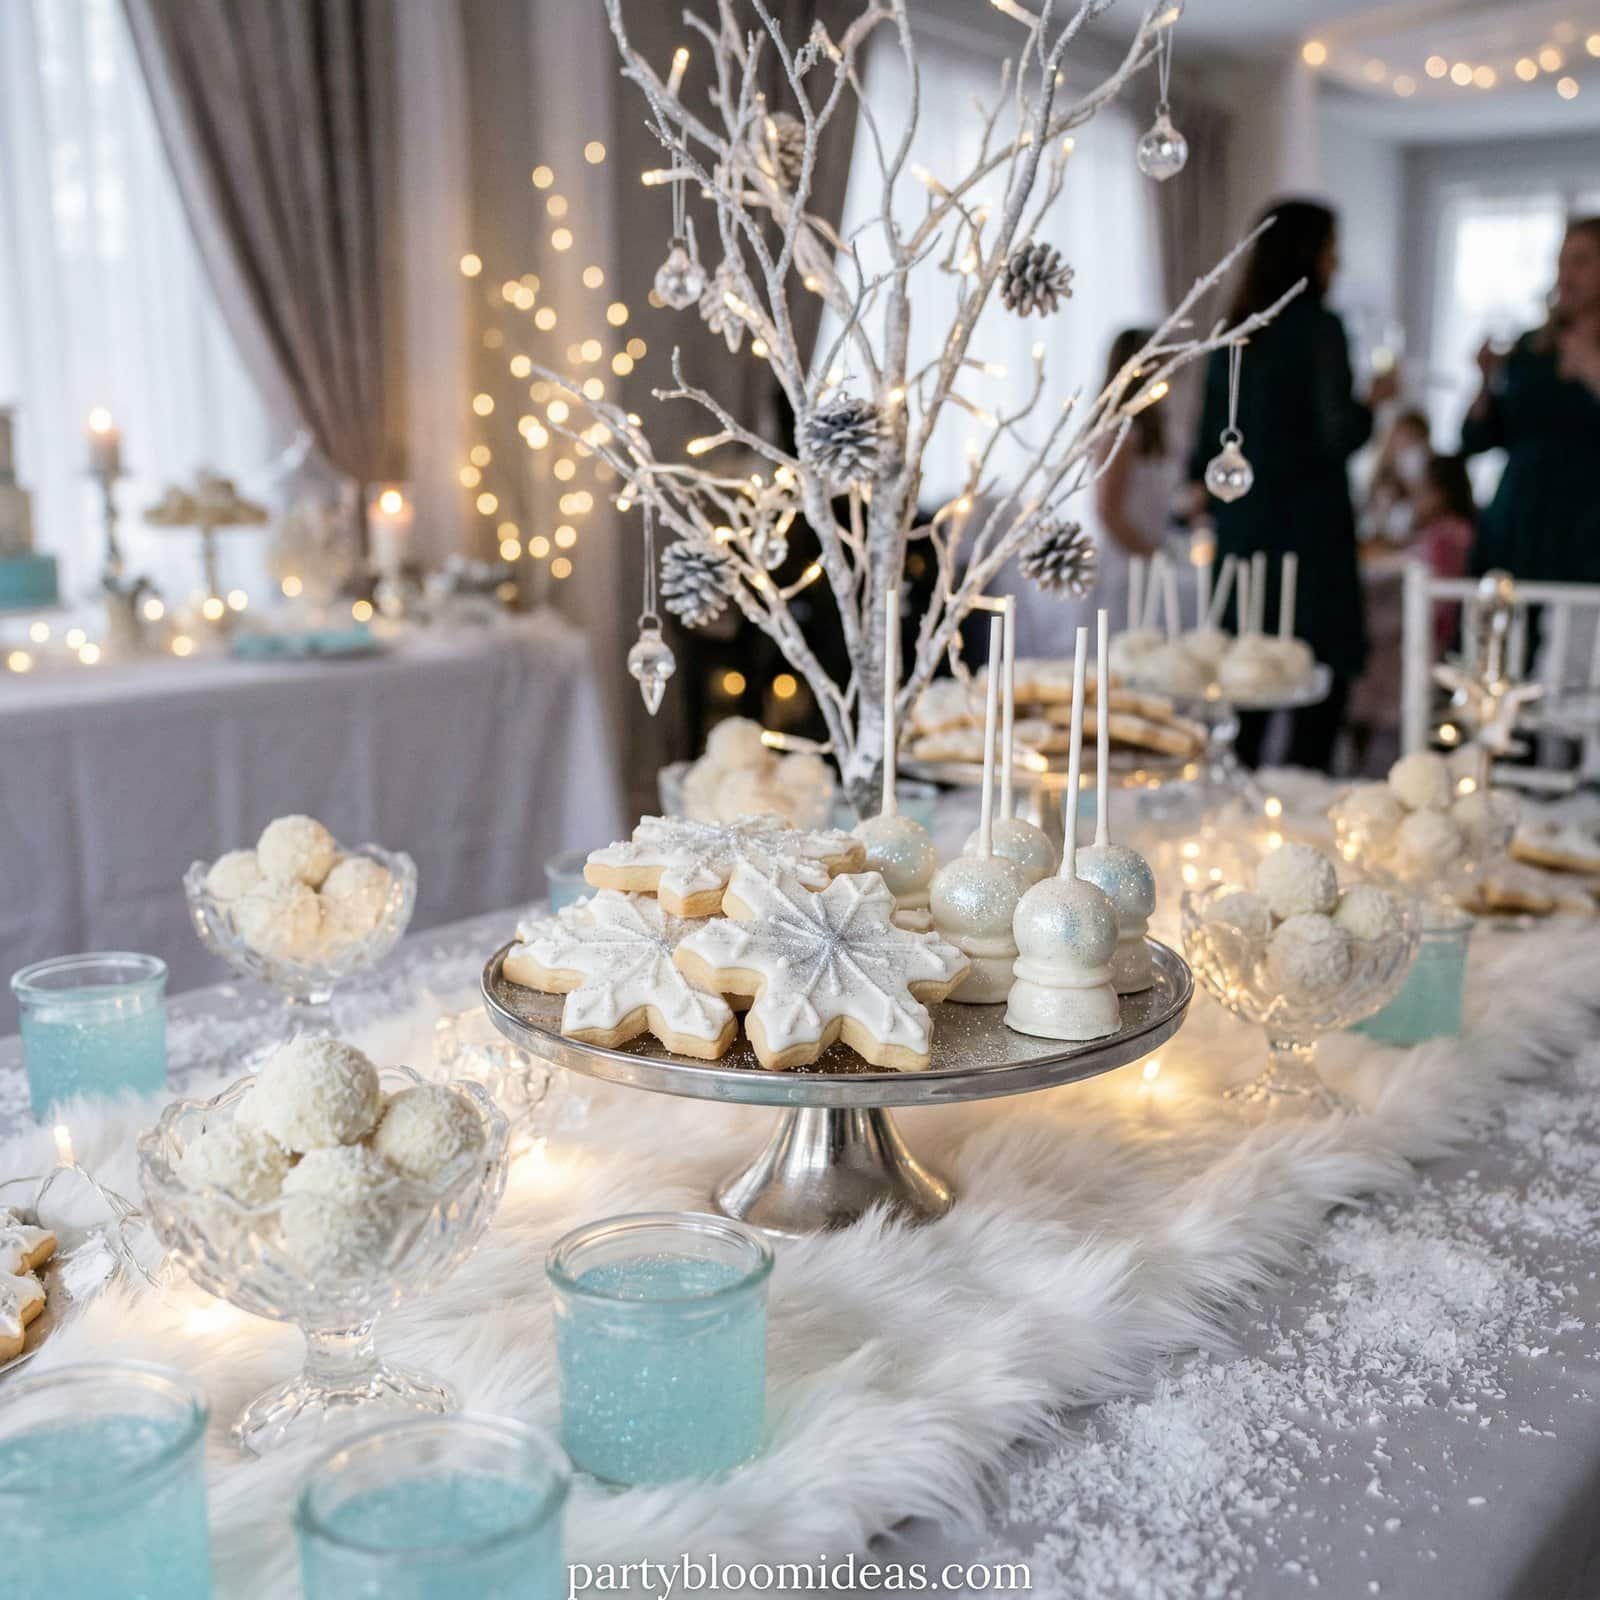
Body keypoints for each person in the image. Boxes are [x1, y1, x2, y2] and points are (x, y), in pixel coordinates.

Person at [1187, 197, 1396, 772]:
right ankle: (1298, 827)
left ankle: (1231, 824)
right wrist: (1373, 404)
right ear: (1309, 254)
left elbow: (1206, 443)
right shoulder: (1321, 328)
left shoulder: (1234, 333)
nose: (1338, 262)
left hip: (1245, 529)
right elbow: (1336, 434)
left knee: (1244, 696)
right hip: (1311, 538)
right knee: (1315, 693)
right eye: (1332, 249)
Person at [1005, 327, 1178, 654]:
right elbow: (1106, 508)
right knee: (1118, 651)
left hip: (1146, 555)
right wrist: (1149, 553)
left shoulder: (1153, 426)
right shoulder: (1119, 431)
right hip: (1123, 563)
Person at [1461, 216, 1600, 585]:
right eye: (1562, 262)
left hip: (1584, 529)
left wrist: (1590, 368)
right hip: (1518, 522)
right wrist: (1485, 381)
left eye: (1581, 262)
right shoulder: (1531, 347)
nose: (1567, 275)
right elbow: (1477, 439)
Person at [1411, 453, 1475, 651]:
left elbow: (1439, 608)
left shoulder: (1443, 536)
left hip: (1440, 634)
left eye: (1423, 490)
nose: (1416, 497)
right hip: (1455, 630)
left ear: (1441, 492)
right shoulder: (1466, 529)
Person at [1360, 408, 1432, 545]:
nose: (1407, 444)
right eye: (1403, 435)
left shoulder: (1425, 473)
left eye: (1414, 438)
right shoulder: (1380, 472)